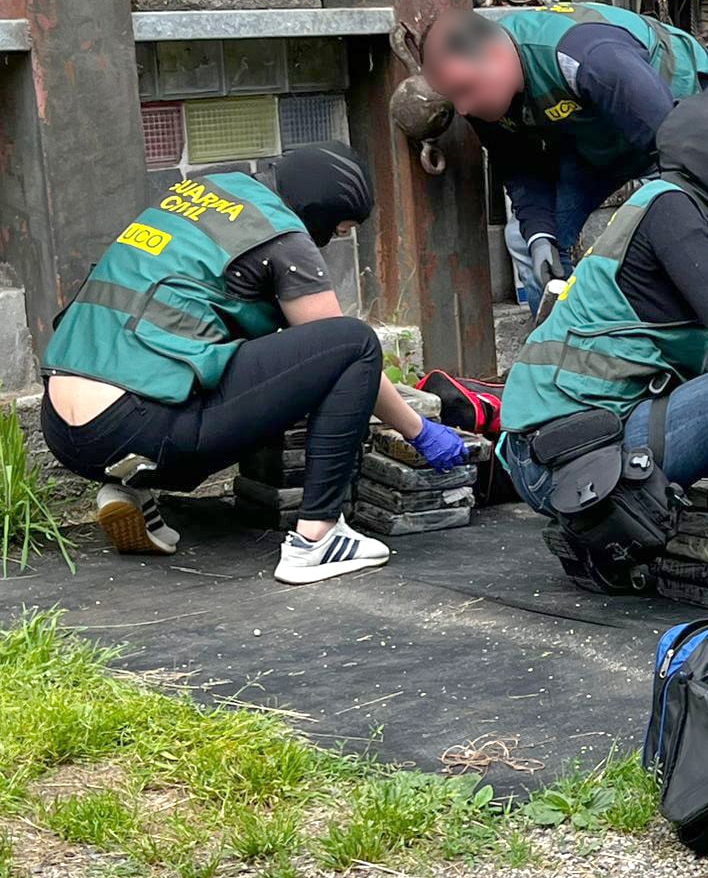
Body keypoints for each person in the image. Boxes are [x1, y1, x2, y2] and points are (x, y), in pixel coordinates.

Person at [40, 144, 467, 583]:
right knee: (353, 342)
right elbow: (339, 351)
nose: (336, 240)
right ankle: (317, 540)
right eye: (340, 229)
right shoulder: (282, 236)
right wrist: (418, 430)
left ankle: (129, 485)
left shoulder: (200, 193)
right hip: (141, 427)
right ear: (320, 208)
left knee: (185, 352)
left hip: (63, 428)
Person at [497, 93, 708, 607]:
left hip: (567, 448)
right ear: (707, 151)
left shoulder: (675, 206)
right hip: (564, 461)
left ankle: (605, 539)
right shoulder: (671, 209)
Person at [420, 3, 708, 307]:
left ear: (495, 54)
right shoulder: (483, 100)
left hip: (677, 112)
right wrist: (541, 236)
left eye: (465, 89)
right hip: (596, 136)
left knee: (680, 232)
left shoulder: (590, 57)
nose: (463, 108)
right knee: (531, 241)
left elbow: (671, 147)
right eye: (454, 97)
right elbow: (519, 167)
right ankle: (557, 345)